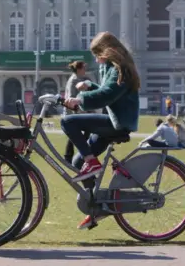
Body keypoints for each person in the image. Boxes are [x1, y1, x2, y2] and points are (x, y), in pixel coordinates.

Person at [60, 31, 140, 230]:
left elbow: (109, 94)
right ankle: (96, 207)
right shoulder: (111, 67)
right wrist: (89, 86)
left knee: (68, 122)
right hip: (113, 120)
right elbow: (107, 90)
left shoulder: (121, 69)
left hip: (118, 122)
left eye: (97, 54)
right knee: (78, 160)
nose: (96, 59)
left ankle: (92, 162)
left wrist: (80, 99)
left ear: (107, 51)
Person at [63, 61, 92, 164]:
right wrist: (79, 111)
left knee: (77, 135)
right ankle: (73, 156)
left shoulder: (83, 79)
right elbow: (71, 99)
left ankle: (71, 156)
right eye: (84, 68)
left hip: (82, 112)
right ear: (79, 69)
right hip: (74, 113)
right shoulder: (73, 80)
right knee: (77, 135)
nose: (85, 70)